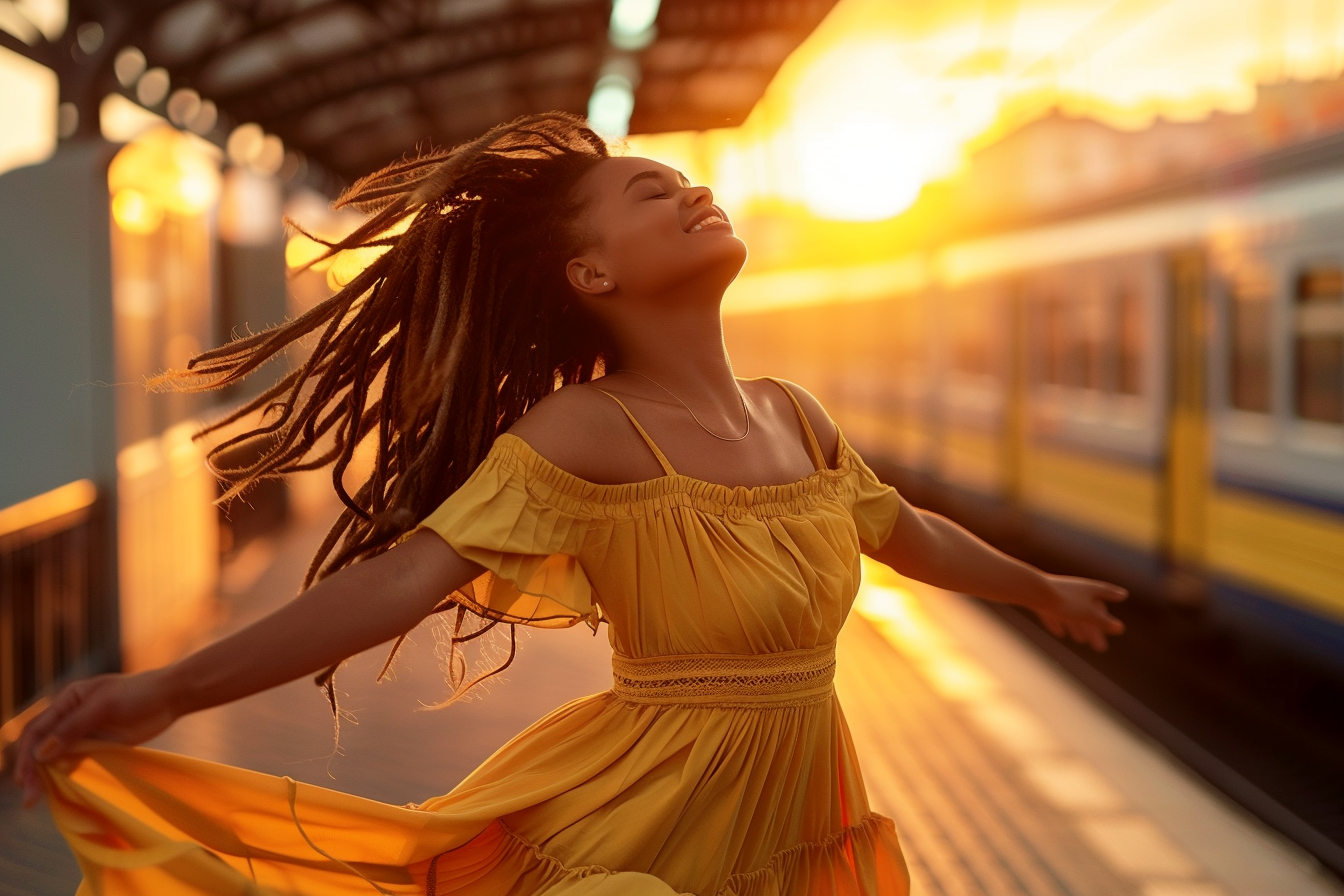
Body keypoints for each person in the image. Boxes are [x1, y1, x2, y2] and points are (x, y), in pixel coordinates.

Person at [13, 111, 1126, 895]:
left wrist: (1038, 587)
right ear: (592, 277)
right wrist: (169, 687)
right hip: (645, 832)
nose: (693, 191)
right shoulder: (585, 430)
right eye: (653, 193)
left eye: (686, 182)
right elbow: (402, 580)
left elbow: (905, 533)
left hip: (797, 823)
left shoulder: (795, 413)